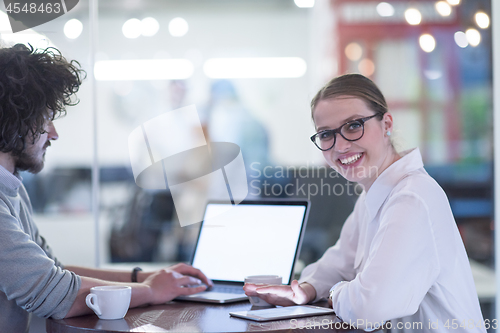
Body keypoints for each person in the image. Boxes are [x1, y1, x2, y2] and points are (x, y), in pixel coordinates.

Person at [244, 74, 486, 332]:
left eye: (353, 126)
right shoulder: (373, 195)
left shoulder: (412, 197)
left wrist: (336, 292)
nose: (340, 146)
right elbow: (339, 262)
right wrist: (304, 290)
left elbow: (370, 309)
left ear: (386, 124)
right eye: (326, 134)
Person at [0, 43, 212, 333]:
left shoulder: (12, 186)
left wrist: (144, 277)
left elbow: (55, 270)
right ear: (14, 122)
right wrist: (151, 291)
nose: (54, 133)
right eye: (45, 119)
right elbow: (55, 293)